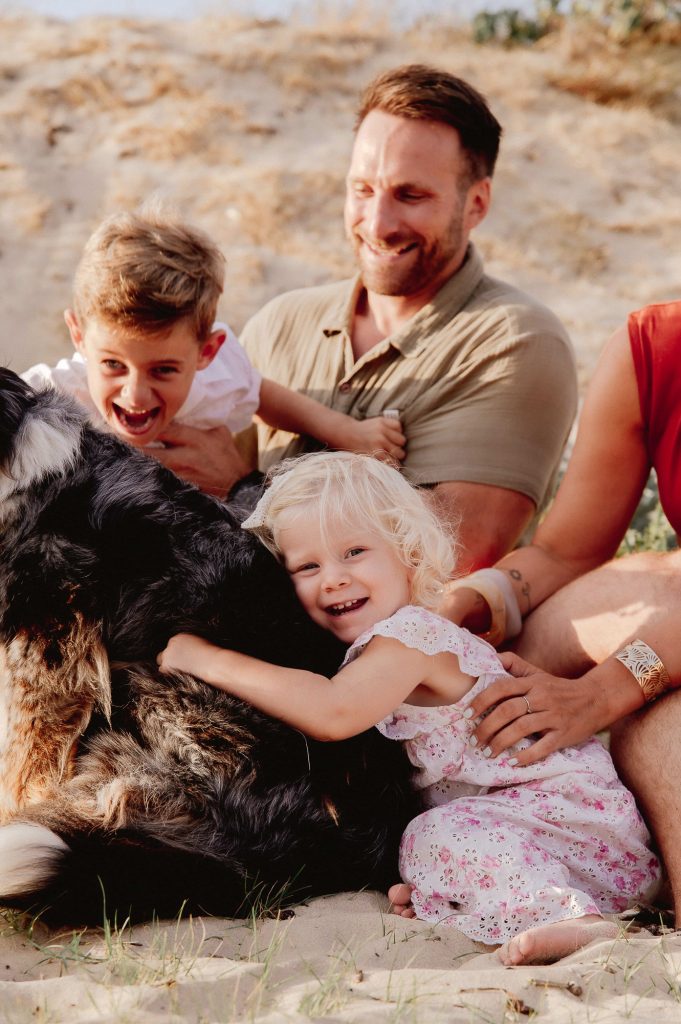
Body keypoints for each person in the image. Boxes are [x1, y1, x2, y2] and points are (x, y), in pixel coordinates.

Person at [157, 452, 659, 965]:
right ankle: (487, 901)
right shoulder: (382, 643)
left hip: (572, 822)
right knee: (421, 849)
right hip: (532, 831)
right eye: (307, 566)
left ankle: (570, 920)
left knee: (432, 834)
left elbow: (332, 712)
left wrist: (206, 658)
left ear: (409, 557)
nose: (332, 577)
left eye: (354, 552)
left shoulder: (410, 639)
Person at [168, 64, 578, 568]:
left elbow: (443, 560)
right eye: (362, 190)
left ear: (477, 204)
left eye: (411, 195)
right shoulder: (279, 323)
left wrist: (238, 487)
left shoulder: (513, 344)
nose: (378, 224)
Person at [439, 301, 681, 917]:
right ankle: (470, 838)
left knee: (649, 719)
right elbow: (568, 551)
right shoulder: (653, 346)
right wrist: (472, 601)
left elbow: (620, 684)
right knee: (514, 658)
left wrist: (602, 693)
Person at [23, 208, 406, 498]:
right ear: (78, 336)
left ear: (207, 351)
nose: (135, 394)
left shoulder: (220, 377)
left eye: (164, 370)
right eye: (112, 365)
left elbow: (262, 393)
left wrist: (345, 431)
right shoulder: (54, 397)